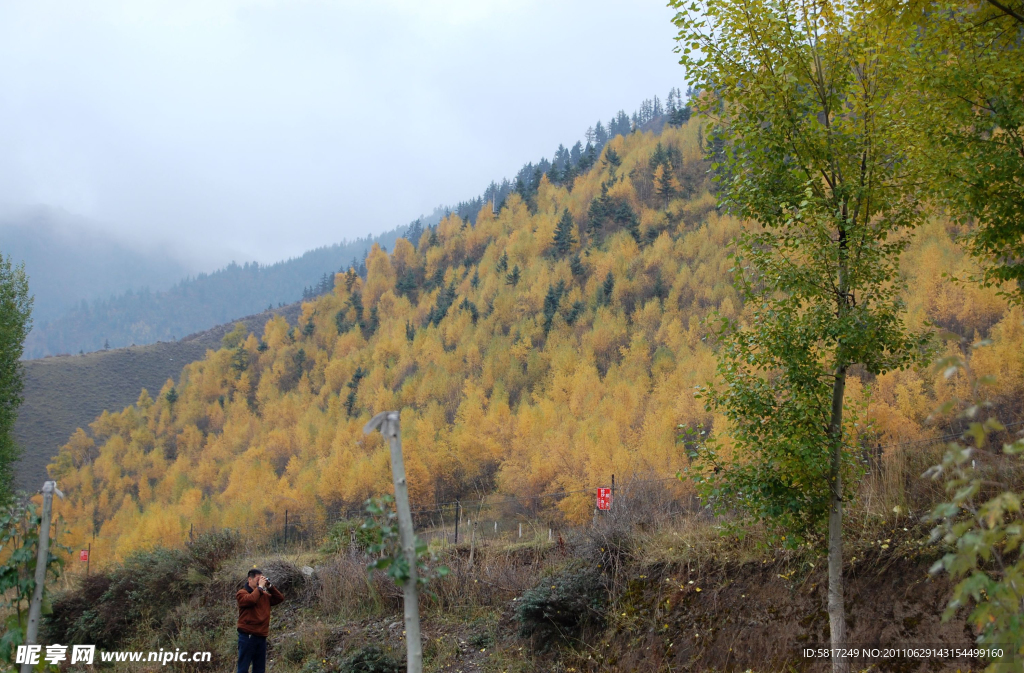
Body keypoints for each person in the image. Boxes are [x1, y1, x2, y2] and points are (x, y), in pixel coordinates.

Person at [236, 568, 284, 673]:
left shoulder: (264, 596)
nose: (259, 582)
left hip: (261, 636)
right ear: (250, 579)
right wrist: (260, 587)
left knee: (259, 669)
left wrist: (269, 586)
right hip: (247, 636)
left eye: (261, 579)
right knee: (243, 668)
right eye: (258, 579)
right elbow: (251, 600)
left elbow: (279, 598)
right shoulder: (242, 594)